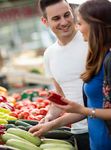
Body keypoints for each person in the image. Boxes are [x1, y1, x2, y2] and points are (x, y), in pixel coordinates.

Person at [29, 0, 111, 150]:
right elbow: (61, 99)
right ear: (45, 22)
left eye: (67, 15)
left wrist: (54, 124)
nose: (64, 22)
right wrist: (48, 118)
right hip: (79, 132)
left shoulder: (93, 41)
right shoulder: (49, 55)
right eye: (56, 18)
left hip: (104, 128)